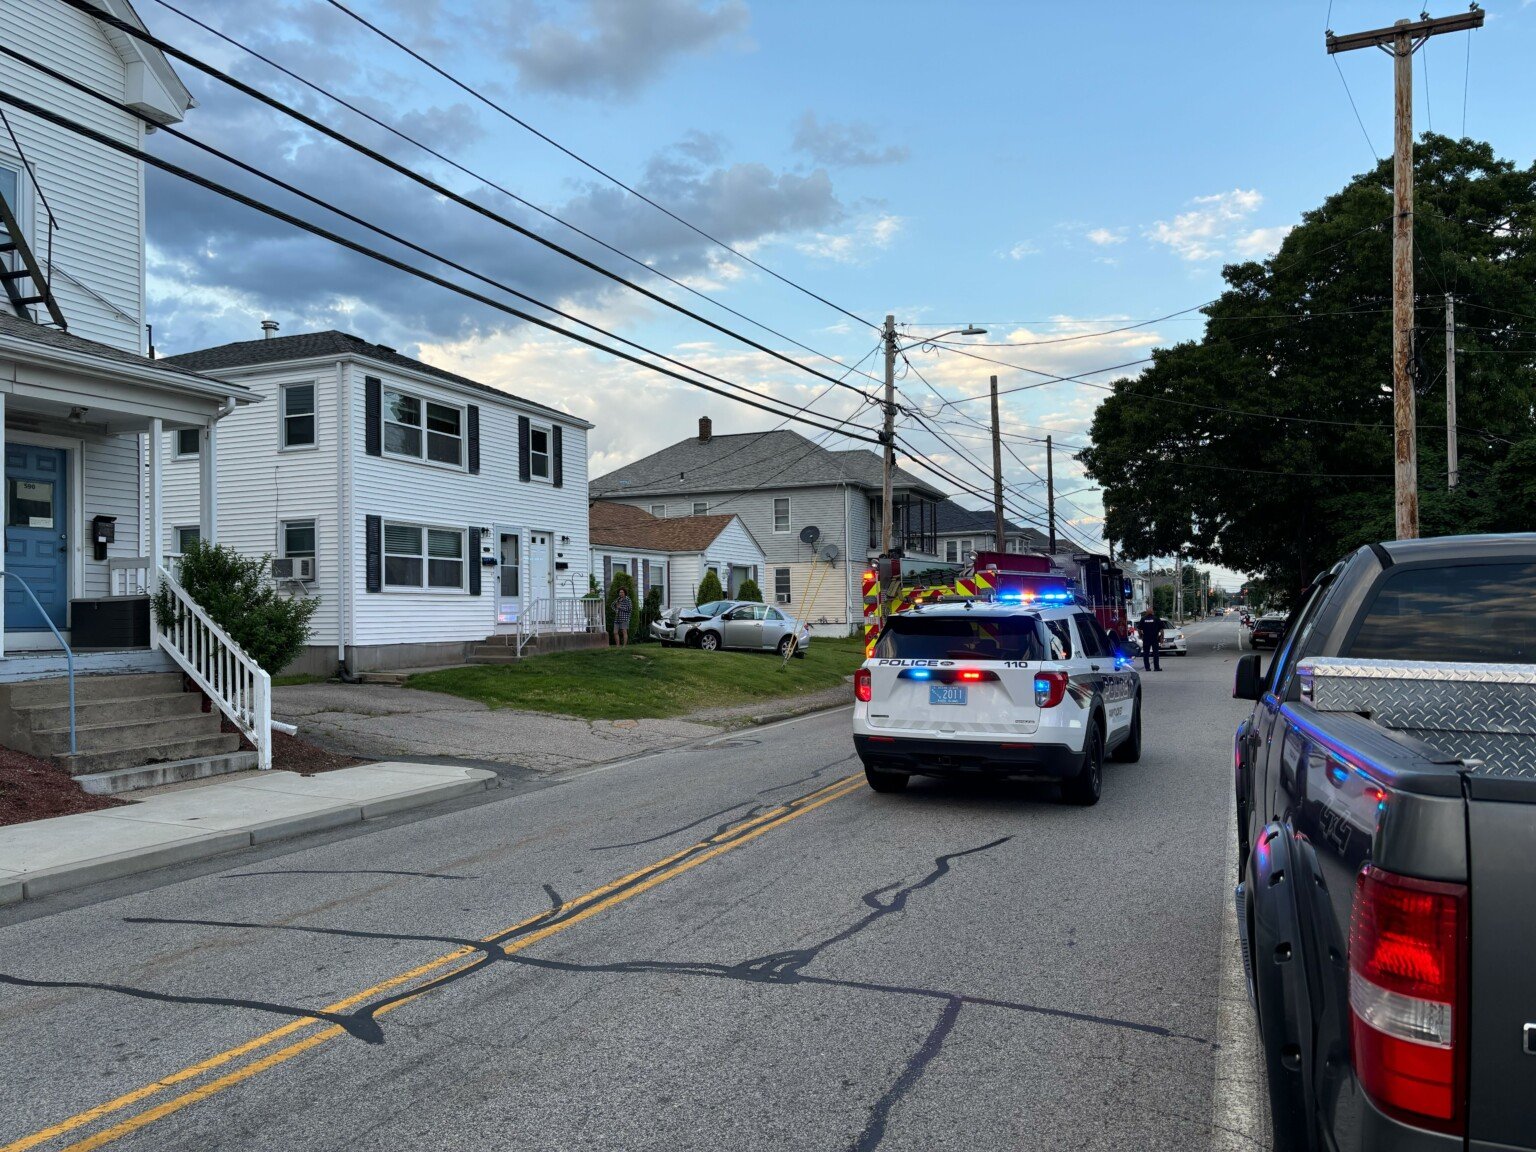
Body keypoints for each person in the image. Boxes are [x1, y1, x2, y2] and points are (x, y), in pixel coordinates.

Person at [1135, 606, 1165, 672]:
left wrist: (1141, 636)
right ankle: (1156, 667)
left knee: (1146, 654)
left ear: (1147, 612)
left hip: (1146, 638)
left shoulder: (1143, 619)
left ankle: (1147, 668)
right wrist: (1162, 638)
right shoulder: (1156, 619)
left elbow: (1139, 629)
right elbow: (1161, 630)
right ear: (1152, 612)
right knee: (1155, 653)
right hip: (1154, 638)